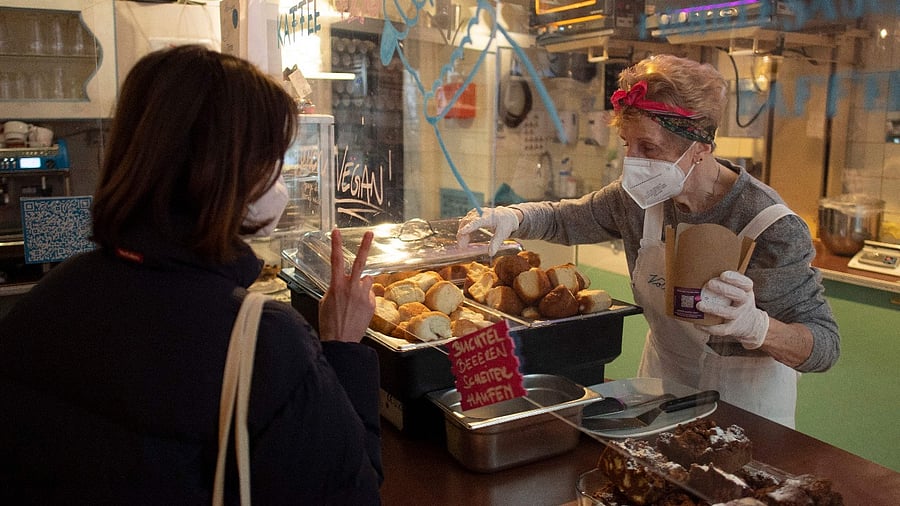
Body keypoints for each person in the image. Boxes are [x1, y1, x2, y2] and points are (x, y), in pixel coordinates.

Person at [0, 45, 382, 504]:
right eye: (270, 156)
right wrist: (341, 348)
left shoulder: (40, 306)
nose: (279, 174)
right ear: (227, 171)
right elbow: (351, 492)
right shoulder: (265, 347)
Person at [457, 54, 839, 427]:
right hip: (663, 390)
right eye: (627, 144)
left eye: (649, 148)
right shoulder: (640, 201)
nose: (633, 161)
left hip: (747, 409)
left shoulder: (769, 224)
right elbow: (566, 218)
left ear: (701, 148)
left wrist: (758, 327)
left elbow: (823, 346)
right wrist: (515, 216)